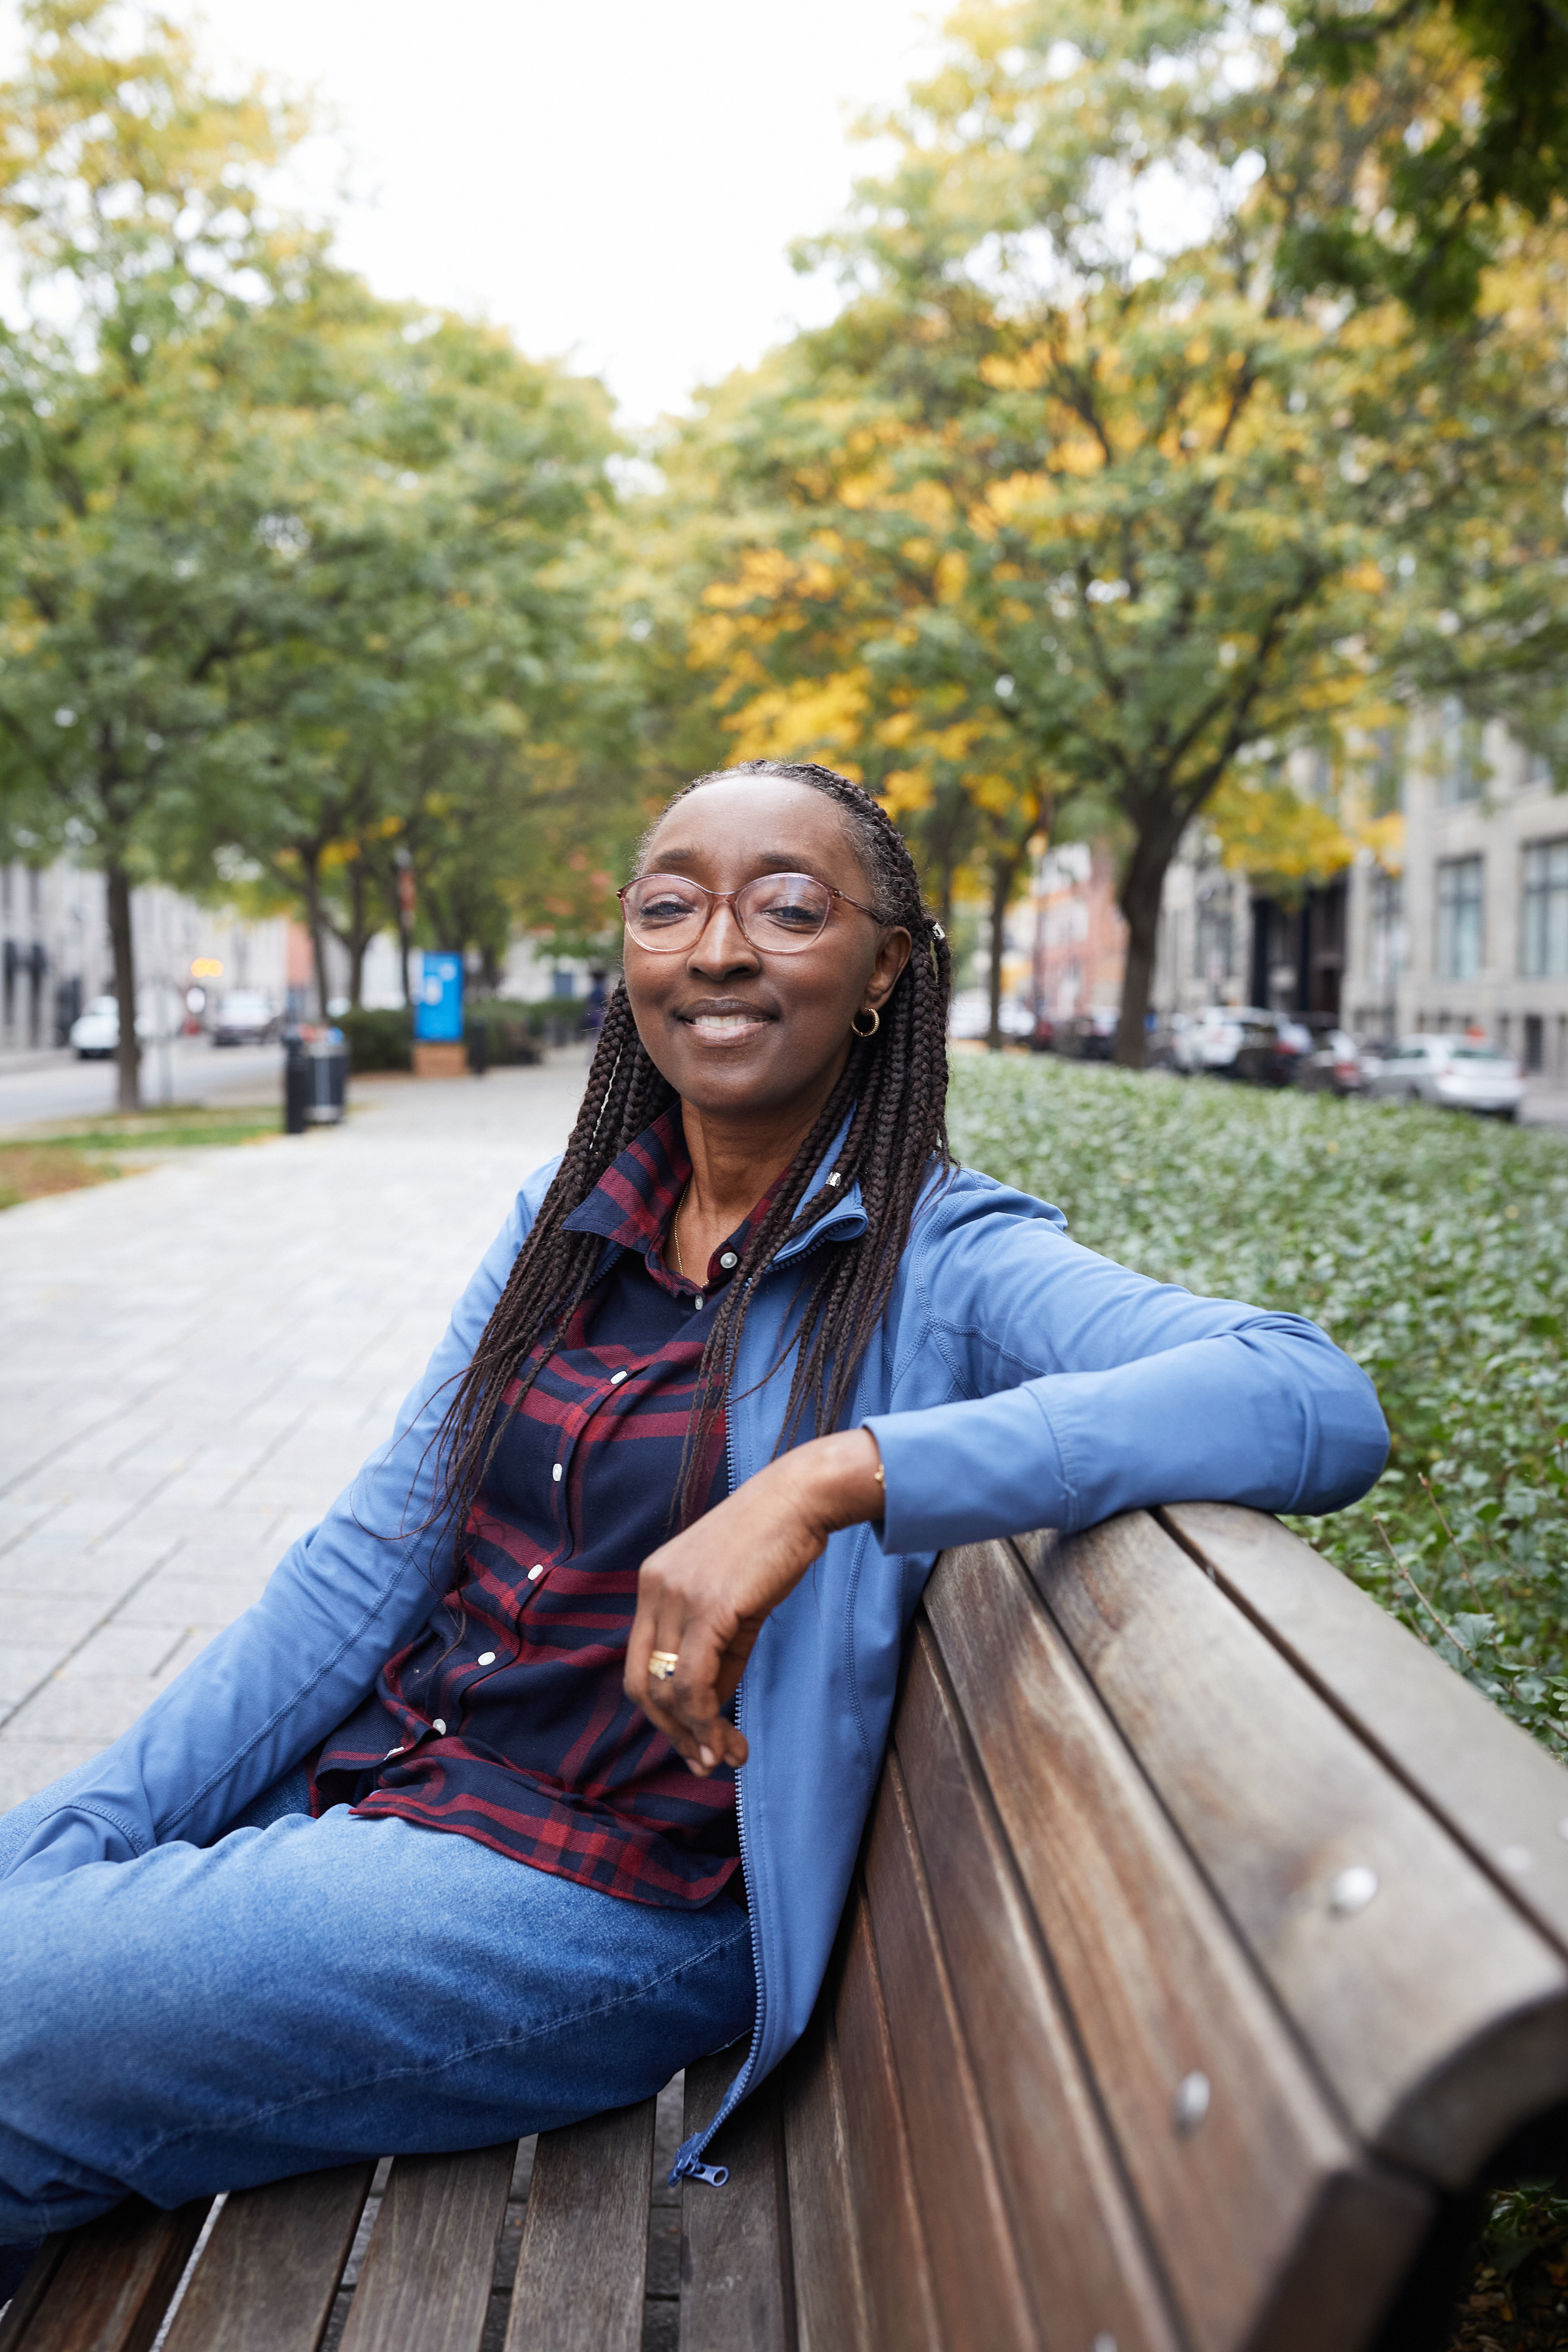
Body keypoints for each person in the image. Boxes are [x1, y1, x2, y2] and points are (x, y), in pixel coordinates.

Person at [0, 761, 1388, 2269]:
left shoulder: (944, 1258)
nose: (717, 948)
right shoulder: (571, 1220)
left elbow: (1306, 1396)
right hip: (393, 1790)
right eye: (670, 906)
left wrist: (830, 1476)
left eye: (789, 908)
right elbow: (363, 1565)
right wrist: (84, 1828)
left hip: (597, 1898)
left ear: (885, 970)